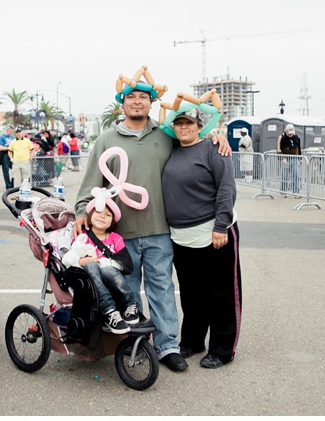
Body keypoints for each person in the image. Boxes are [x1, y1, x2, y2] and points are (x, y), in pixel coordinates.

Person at [74, 74, 231, 373]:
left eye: (143, 97)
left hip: (161, 230)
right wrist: (82, 211)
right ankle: (134, 343)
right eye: (131, 97)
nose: (137, 101)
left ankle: (168, 346)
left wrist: (216, 137)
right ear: (123, 103)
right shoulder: (107, 139)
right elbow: (92, 181)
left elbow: (192, 140)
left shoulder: (165, 134)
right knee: (127, 291)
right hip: (121, 234)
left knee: (162, 289)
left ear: (151, 102)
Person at [161, 109, 241, 369]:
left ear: (199, 126)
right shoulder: (171, 148)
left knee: (220, 294)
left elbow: (226, 188)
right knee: (191, 295)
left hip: (214, 233)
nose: (183, 127)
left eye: (189, 123)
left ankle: (222, 349)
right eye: (179, 123)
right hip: (181, 237)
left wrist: (220, 226)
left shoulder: (214, 149)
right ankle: (193, 341)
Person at [74, 203, 140, 334]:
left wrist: (107, 262)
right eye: (98, 212)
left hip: (111, 278)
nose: (102, 216)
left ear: (112, 221)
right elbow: (71, 257)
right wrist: (81, 261)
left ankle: (129, 303)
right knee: (91, 265)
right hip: (91, 281)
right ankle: (109, 311)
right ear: (90, 215)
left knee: (108, 269)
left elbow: (126, 263)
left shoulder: (116, 238)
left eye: (108, 215)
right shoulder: (82, 237)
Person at [276, 124, 301, 197]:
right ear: (286, 131)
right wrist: (282, 157)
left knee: (296, 175)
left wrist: (300, 158)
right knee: (284, 175)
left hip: (295, 158)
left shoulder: (296, 137)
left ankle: (295, 192)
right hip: (285, 159)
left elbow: (298, 148)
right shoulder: (282, 137)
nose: (290, 134)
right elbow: (278, 148)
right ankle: (283, 191)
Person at [0, 125, 15, 190]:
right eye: (10, 131)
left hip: (12, 154)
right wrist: (8, 148)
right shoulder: (2, 137)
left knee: (14, 169)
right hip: (5, 154)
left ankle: (12, 183)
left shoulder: (12, 137)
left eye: (12, 131)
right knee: (6, 171)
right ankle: (8, 185)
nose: (11, 132)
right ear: (7, 130)